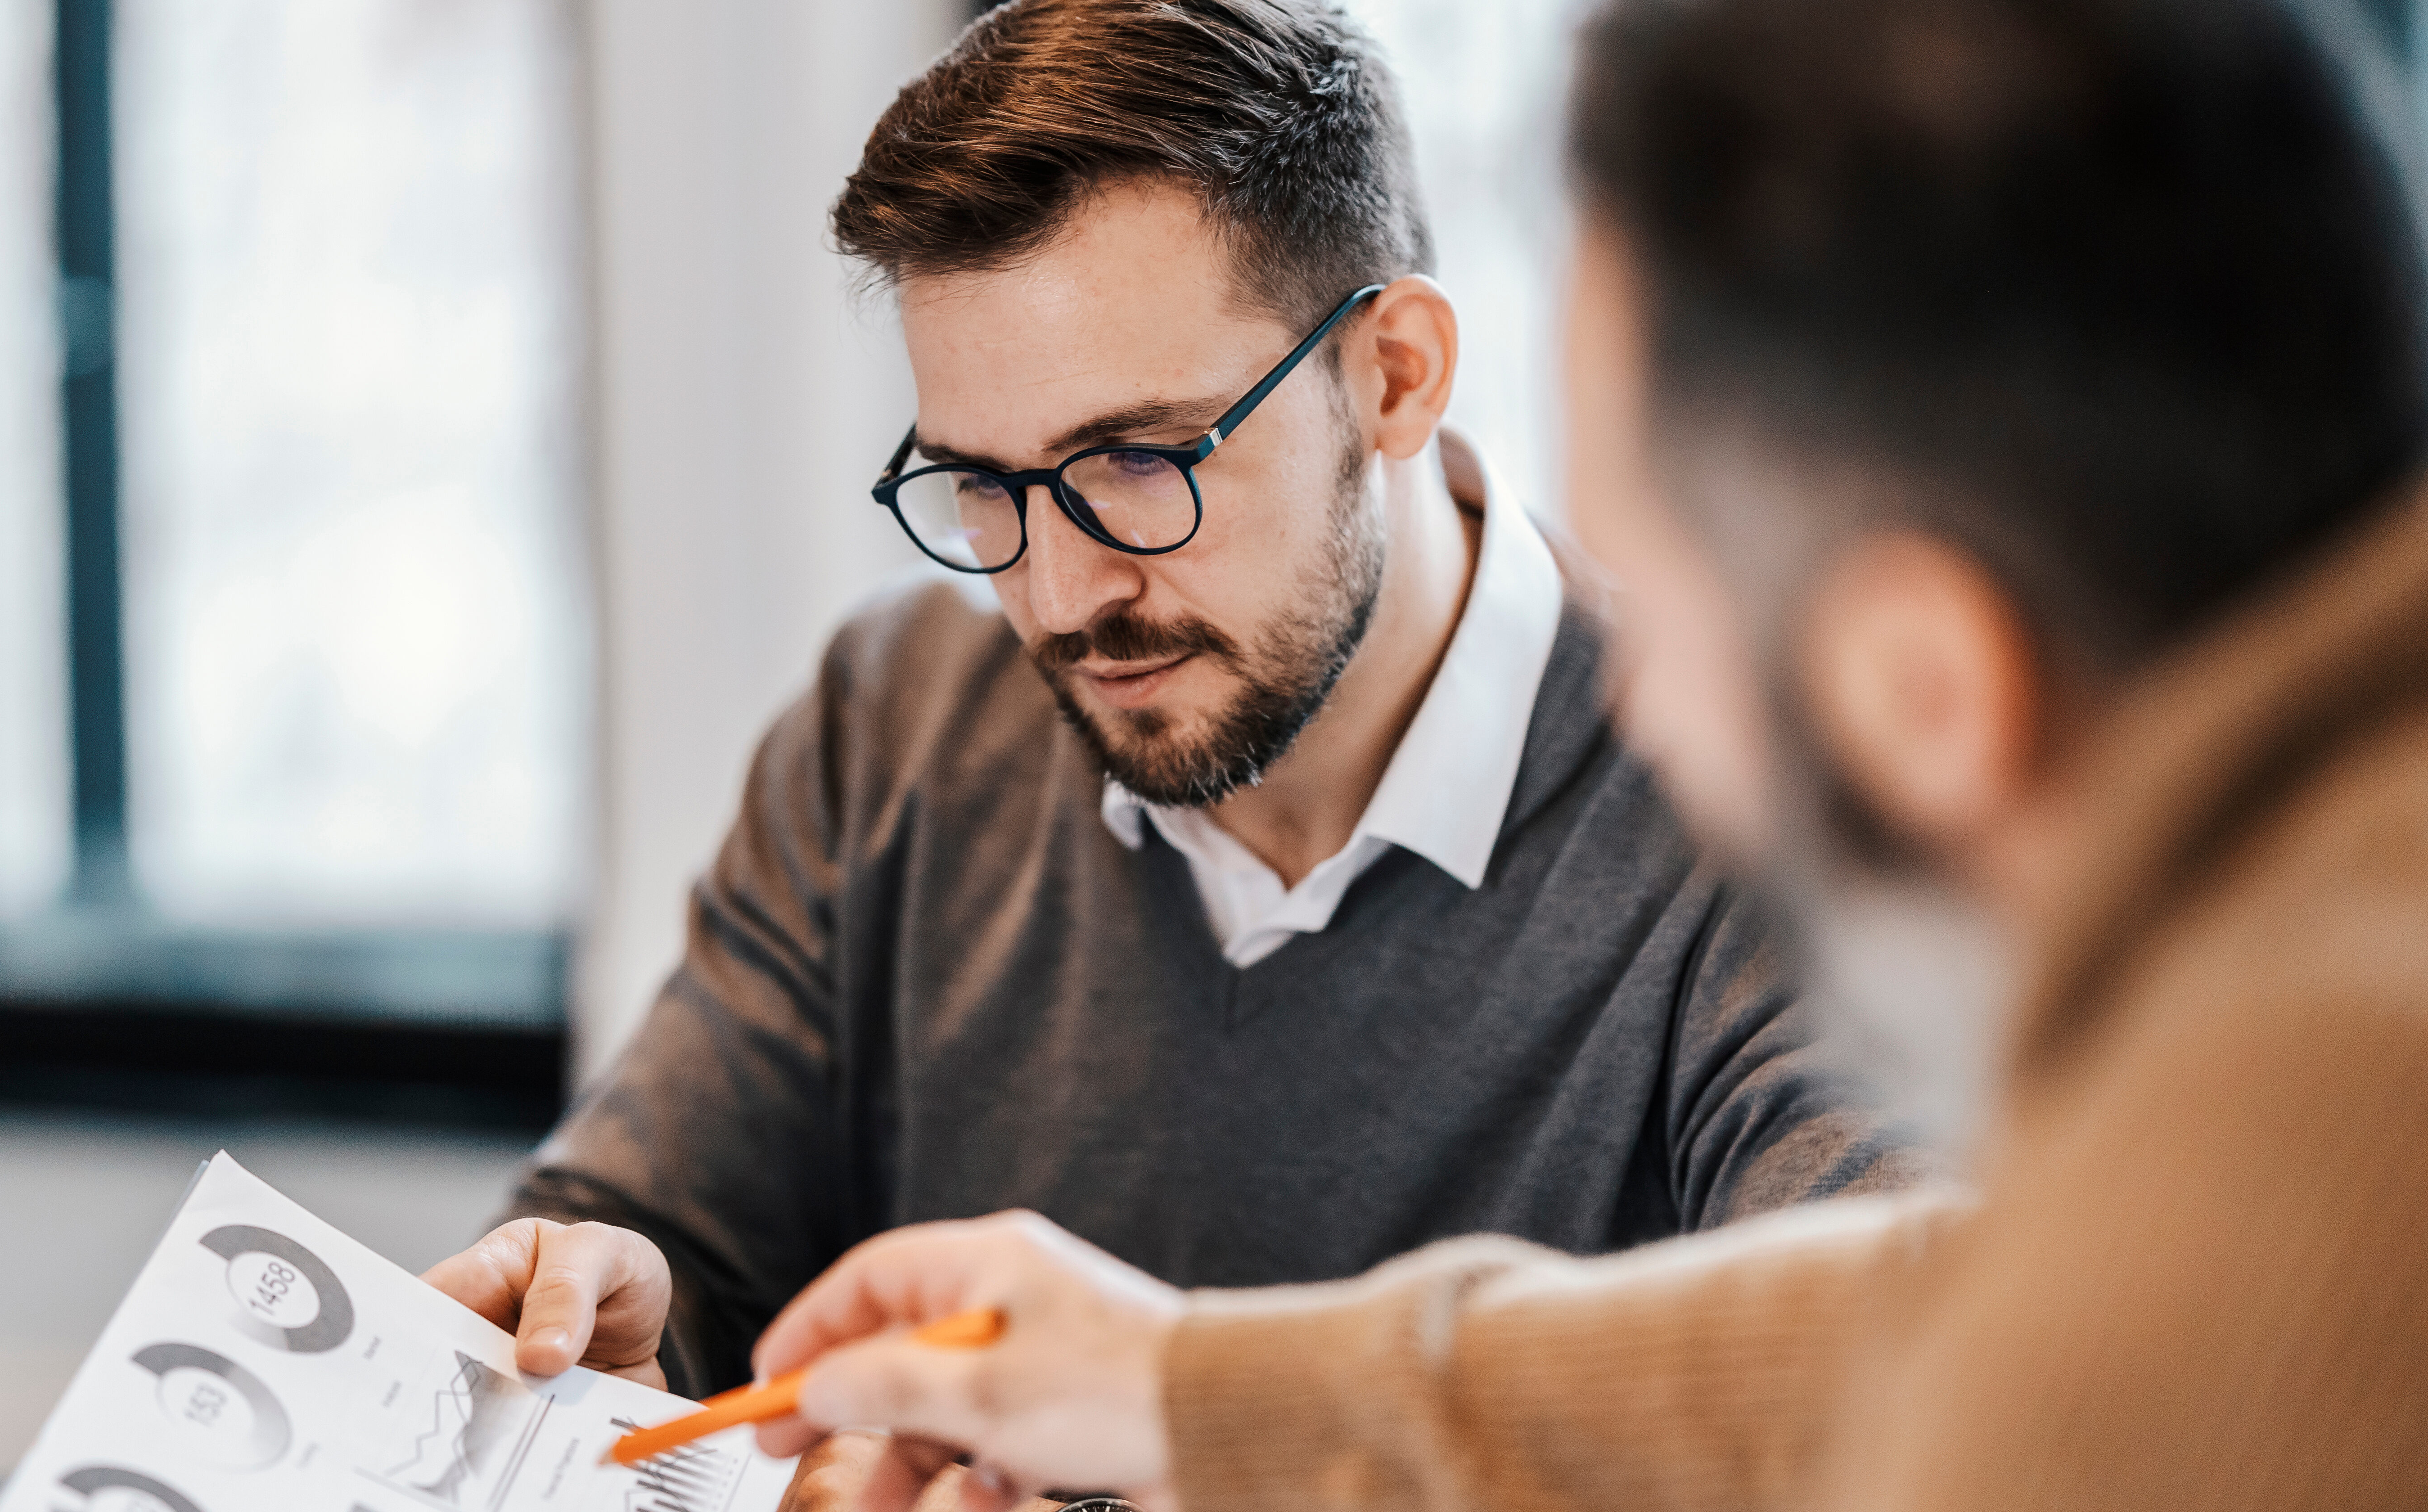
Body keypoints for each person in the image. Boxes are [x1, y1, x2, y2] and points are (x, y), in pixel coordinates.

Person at [742, 0, 2428, 1506]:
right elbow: (1915, 1313)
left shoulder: (2292, 1179)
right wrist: (1189, 1397)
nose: (1638, 714)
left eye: (1671, 611)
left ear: (1931, 687)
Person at [421, 0, 1925, 1498]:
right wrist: (603, 1322)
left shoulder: (1759, 801)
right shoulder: (897, 720)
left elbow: (1884, 1413)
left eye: (1139, 463)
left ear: (1395, 374)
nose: (1063, 602)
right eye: (983, 487)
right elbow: (669, 1253)